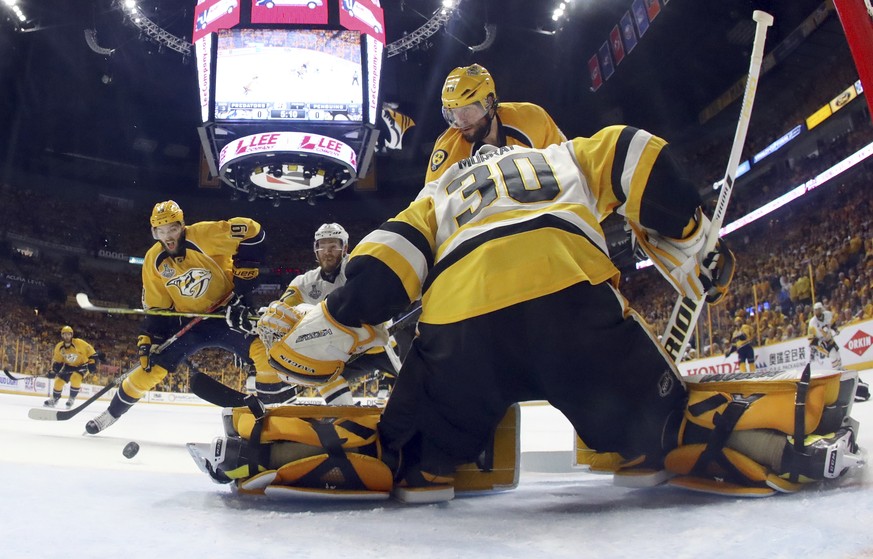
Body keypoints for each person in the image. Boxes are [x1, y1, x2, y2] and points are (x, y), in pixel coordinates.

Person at [254, 128, 861, 501]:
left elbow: (389, 261)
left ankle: (311, 449)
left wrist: (335, 320)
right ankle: (767, 434)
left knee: (412, 448)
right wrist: (690, 229)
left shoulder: (438, 192)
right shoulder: (564, 154)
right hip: (572, 304)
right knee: (656, 425)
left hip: (464, 331)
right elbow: (635, 149)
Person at [85, 200, 275, 434]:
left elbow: (253, 231)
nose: (168, 236)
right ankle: (110, 415)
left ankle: (274, 413)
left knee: (263, 352)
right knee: (150, 367)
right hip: (189, 323)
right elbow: (157, 308)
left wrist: (244, 282)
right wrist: (148, 338)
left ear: (182, 226)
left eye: (172, 229)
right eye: (161, 231)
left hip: (226, 314)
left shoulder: (204, 235)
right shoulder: (153, 260)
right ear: (154, 232)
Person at [261, 223, 400, 404]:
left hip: (381, 344)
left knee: (416, 380)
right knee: (318, 369)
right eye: (322, 246)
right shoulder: (304, 282)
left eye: (333, 246)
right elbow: (284, 310)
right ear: (316, 250)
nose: (327, 251)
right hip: (345, 351)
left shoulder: (357, 267)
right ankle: (345, 416)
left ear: (345, 248)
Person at [425, 63, 566, 184]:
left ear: (490, 102)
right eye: (453, 112)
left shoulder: (532, 118)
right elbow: (431, 205)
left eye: (467, 109)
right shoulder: (448, 152)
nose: (460, 120)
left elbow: (566, 165)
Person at [44, 326, 98, 409]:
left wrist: (92, 363)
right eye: (64, 334)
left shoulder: (79, 343)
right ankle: (55, 399)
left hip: (82, 366)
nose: (66, 336)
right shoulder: (59, 347)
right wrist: (53, 371)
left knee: (75, 377)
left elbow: (92, 353)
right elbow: (58, 362)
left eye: (68, 334)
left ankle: (71, 398)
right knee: (58, 382)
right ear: (62, 335)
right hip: (69, 366)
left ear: (72, 335)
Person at [808, 301, 842, 368]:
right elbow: (810, 338)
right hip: (820, 341)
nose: (816, 312)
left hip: (829, 338)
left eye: (818, 310)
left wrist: (835, 330)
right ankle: (836, 370)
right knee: (832, 353)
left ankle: (840, 368)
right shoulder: (812, 322)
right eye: (815, 310)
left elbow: (832, 324)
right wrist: (818, 343)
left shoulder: (828, 314)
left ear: (821, 309)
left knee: (837, 352)